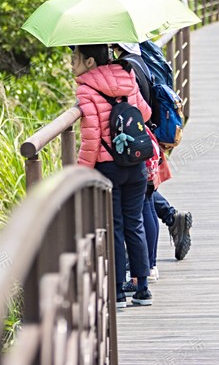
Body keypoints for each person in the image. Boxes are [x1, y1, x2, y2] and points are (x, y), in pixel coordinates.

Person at [73, 43, 153, 309]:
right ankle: (142, 288)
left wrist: (81, 172)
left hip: (109, 169)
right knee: (135, 223)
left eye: (75, 58)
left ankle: (117, 293)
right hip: (137, 164)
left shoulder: (86, 90)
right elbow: (145, 114)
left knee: (114, 226)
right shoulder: (127, 75)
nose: (71, 63)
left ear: (90, 62)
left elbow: (91, 139)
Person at [114, 42, 193, 263]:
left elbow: (135, 106)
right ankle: (170, 219)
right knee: (144, 193)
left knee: (143, 196)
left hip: (138, 141)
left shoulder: (126, 67)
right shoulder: (143, 57)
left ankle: (146, 264)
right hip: (148, 136)